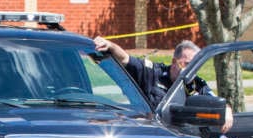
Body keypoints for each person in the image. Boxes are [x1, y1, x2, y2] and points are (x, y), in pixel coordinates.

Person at [93, 36, 233, 132]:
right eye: (186, 64)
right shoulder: (153, 73)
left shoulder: (197, 84)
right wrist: (110, 45)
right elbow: (125, 58)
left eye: (194, 66)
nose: (190, 70)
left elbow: (215, 101)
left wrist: (226, 110)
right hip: (153, 133)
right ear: (174, 61)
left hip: (185, 137)